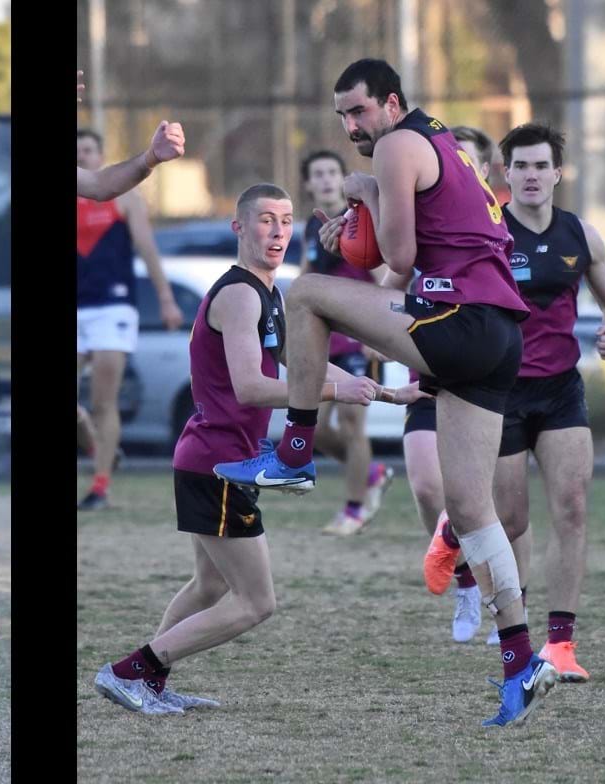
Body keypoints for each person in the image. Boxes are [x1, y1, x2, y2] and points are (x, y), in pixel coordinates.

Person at [213, 59, 554, 727]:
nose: (350, 125)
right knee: (469, 506)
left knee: (306, 293)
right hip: (499, 334)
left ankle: (294, 452)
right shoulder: (444, 143)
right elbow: (404, 250)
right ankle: (522, 660)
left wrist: (364, 195)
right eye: (342, 114)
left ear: (391, 102)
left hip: (464, 319)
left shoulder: (400, 143)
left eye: (359, 110)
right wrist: (359, 226)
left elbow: (397, 258)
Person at [92, 184, 420, 714]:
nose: (278, 232)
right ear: (239, 228)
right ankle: (134, 670)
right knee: (256, 602)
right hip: (217, 462)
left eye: (287, 221)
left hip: (215, 458)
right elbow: (250, 386)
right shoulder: (240, 294)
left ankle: (146, 678)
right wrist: (335, 391)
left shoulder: (268, 293)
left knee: (207, 585)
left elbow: (304, 365)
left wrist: (386, 391)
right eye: (266, 220)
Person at [427, 124, 605, 676]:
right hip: (500, 389)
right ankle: (455, 533)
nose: (532, 176)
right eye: (522, 166)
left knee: (572, 506)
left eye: (542, 166)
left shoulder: (581, 236)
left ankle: (560, 645)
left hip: (561, 389)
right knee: (510, 520)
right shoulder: (487, 231)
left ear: (558, 173)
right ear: (504, 174)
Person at [401, 126, 497, 643]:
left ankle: (504, 604)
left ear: (482, 170)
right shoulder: (426, 220)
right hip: (429, 374)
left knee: (476, 500)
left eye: (467, 159)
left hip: (482, 377)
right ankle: (461, 579)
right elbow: (393, 277)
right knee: (425, 486)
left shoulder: (493, 233)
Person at [77, 128, 183, 509]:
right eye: (77, 152)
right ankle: (100, 448)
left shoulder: (122, 198)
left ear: (100, 153)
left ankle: (100, 486)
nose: (82, 156)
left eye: (88, 150)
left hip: (112, 307)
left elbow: (148, 250)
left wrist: (166, 299)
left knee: (104, 400)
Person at [298, 150, 394, 536]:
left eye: (331, 173)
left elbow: (389, 276)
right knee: (315, 428)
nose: (324, 179)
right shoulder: (310, 227)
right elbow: (307, 277)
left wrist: (382, 332)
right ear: (307, 183)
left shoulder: (362, 222)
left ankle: (355, 509)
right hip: (324, 341)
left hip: (361, 339)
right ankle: (371, 472)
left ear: (341, 179)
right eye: (317, 173)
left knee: (353, 424)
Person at [76, 70, 186, 201]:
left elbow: (99, 185)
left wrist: (151, 157)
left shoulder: (127, 201)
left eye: (87, 151)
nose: (81, 157)